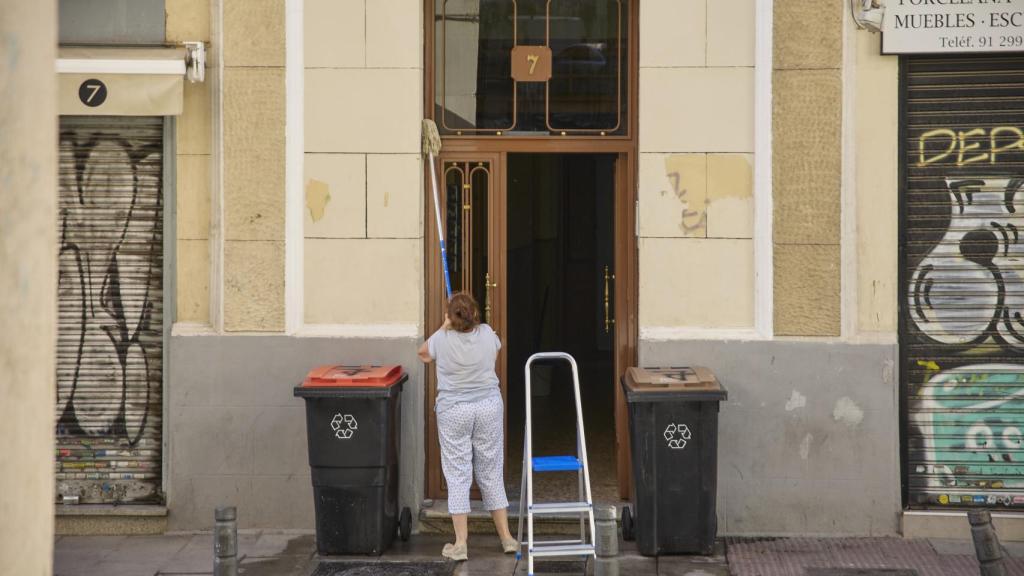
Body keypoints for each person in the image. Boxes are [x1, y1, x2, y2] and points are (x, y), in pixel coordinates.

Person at [418, 292, 518, 561]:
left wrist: (444, 326)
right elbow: (497, 347)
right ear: (475, 315)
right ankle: (507, 538)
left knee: (458, 474)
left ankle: (461, 543)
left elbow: (423, 355)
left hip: (455, 411)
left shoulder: (442, 339)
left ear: (451, 317)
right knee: (491, 471)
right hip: (488, 407)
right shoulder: (487, 334)